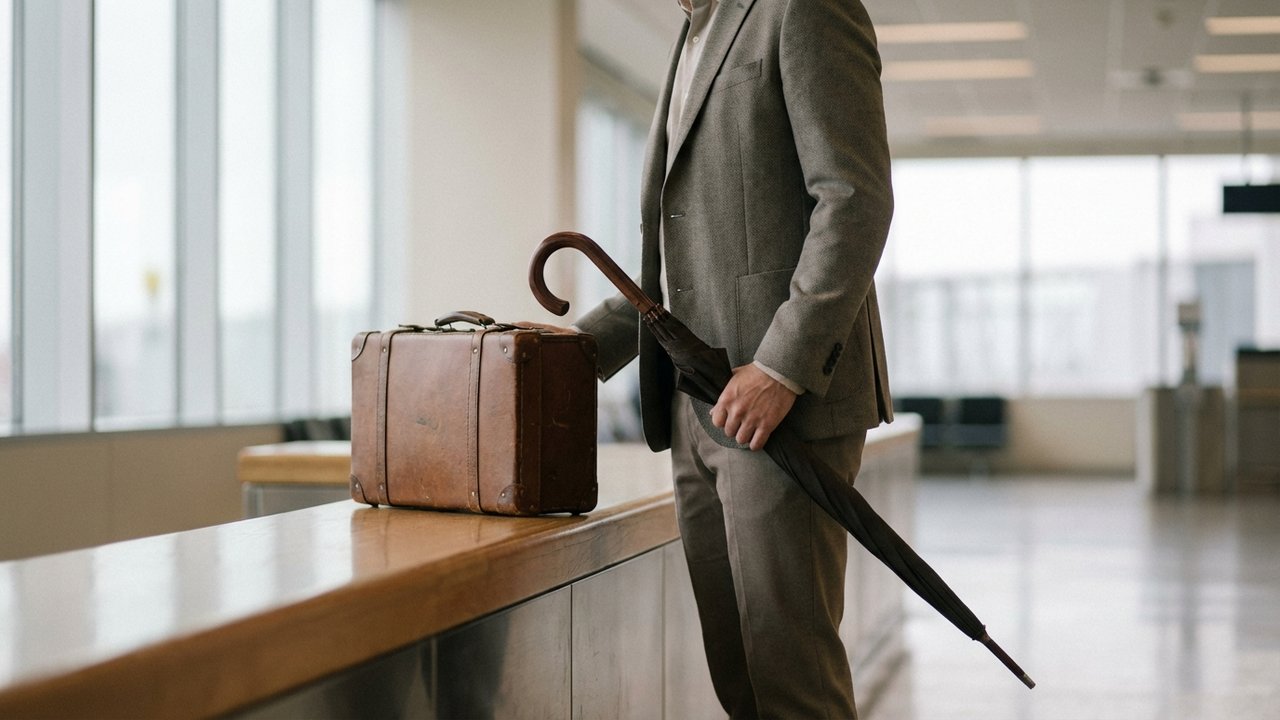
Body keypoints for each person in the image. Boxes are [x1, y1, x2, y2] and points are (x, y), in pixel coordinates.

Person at [574, 0, 894, 716]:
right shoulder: (692, 35)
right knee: (740, 674)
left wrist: (781, 366)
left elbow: (853, 200)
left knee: (790, 677)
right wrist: (561, 356)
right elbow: (682, 267)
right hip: (698, 409)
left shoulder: (802, 8)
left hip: (781, 408)